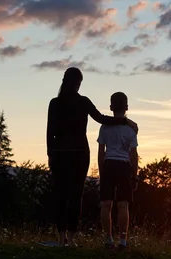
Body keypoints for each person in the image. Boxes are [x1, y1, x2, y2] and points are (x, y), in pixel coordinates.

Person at [46, 67, 138, 247]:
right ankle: (72, 240)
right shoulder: (83, 102)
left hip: (60, 153)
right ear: (78, 83)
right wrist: (125, 120)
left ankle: (61, 237)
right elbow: (102, 118)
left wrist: (50, 153)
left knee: (60, 195)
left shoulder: (54, 103)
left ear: (64, 81)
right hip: (80, 153)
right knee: (75, 195)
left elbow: (49, 132)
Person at [97, 91, 139, 249]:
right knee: (123, 205)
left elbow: (101, 152)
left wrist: (102, 171)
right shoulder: (130, 130)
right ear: (127, 107)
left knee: (106, 204)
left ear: (110, 107)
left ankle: (108, 239)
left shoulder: (105, 127)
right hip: (124, 167)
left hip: (108, 165)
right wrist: (134, 175)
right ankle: (122, 240)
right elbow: (134, 155)